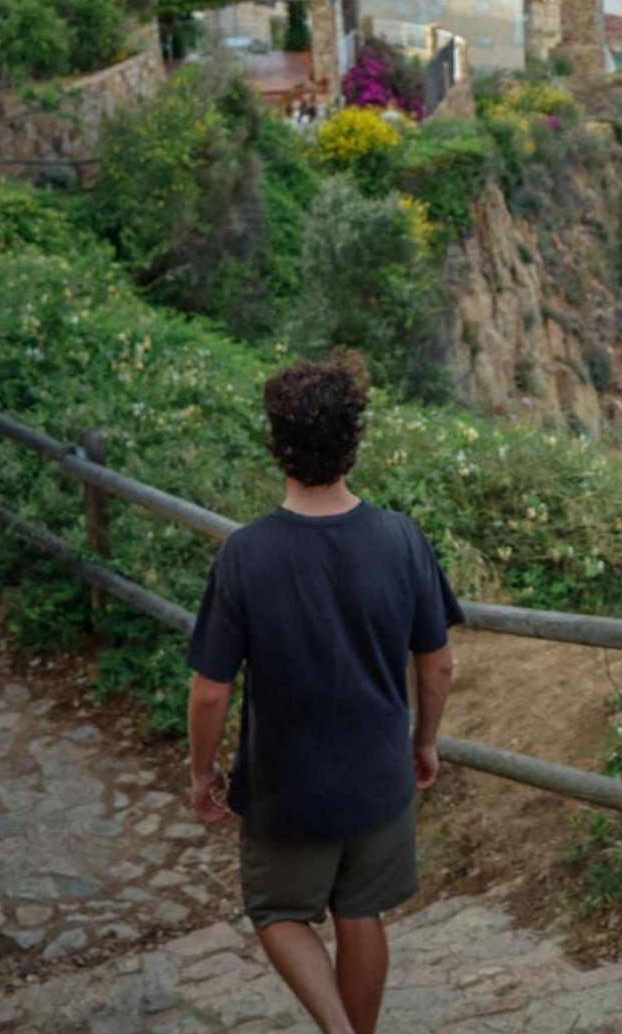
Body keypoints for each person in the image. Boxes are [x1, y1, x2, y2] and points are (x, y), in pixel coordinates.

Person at [187, 355, 462, 1034]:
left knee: (278, 911)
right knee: (359, 910)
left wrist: (202, 770)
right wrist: (423, 742)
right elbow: (437, 665)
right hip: (377, 775)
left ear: (277, 441)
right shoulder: (401, 539)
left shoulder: (245, 555)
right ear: (352, 439)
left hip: (285, 786)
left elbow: (209, 692)